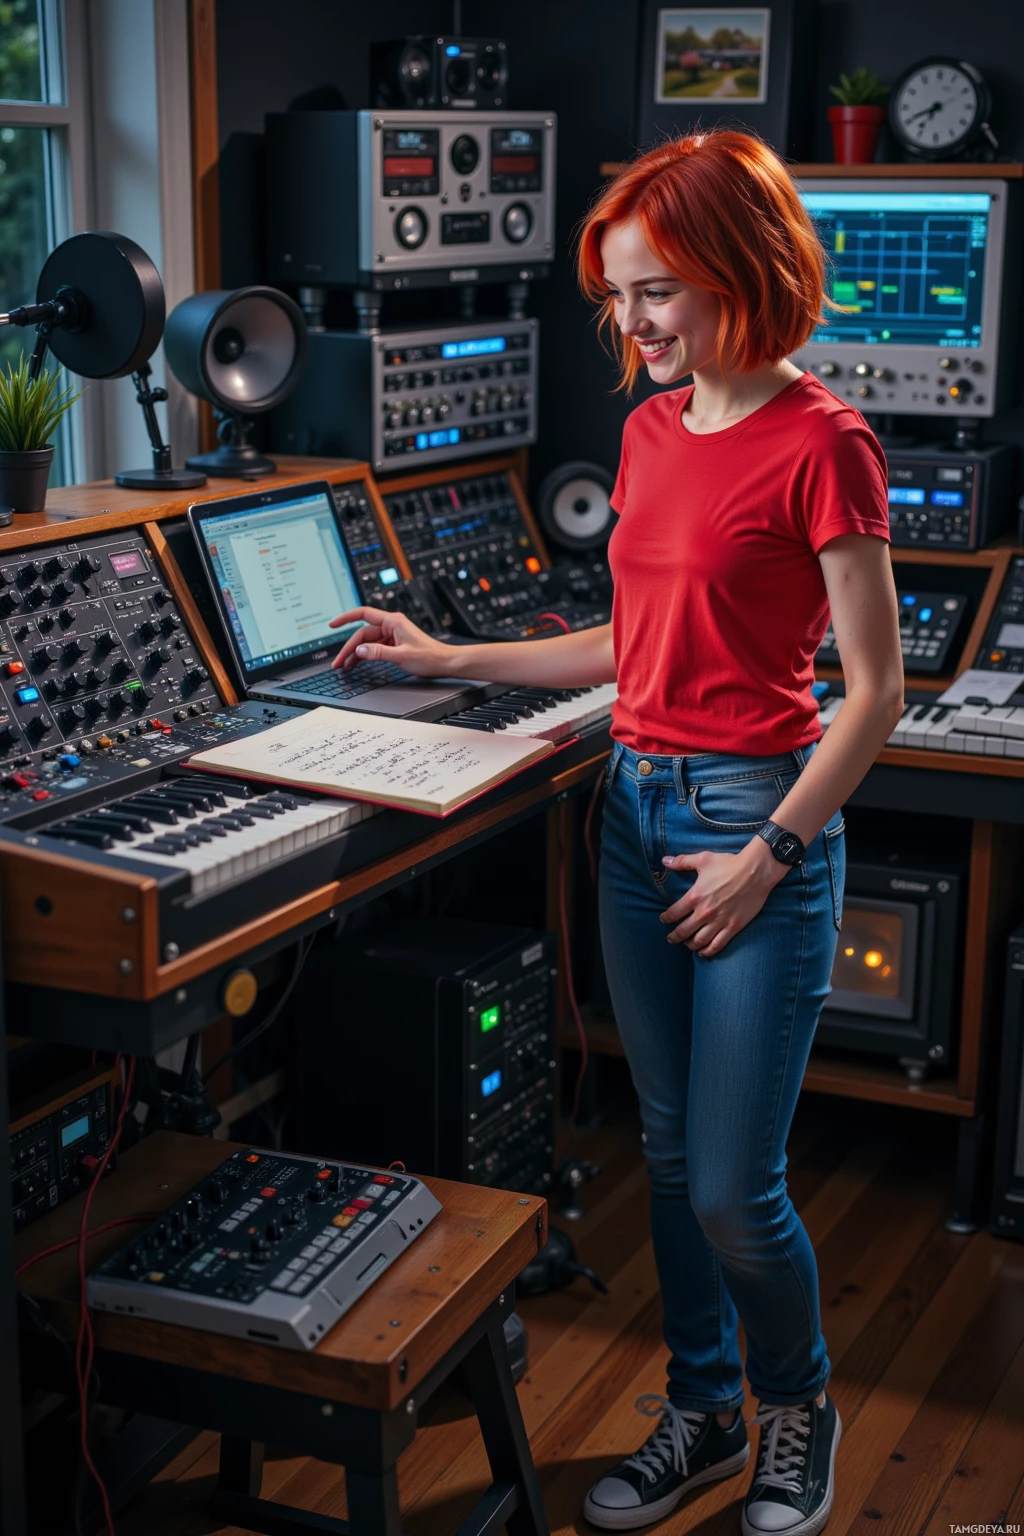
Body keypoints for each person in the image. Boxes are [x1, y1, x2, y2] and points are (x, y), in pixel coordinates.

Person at [328, 130, 903, 1536]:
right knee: (668, 1157)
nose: (632, 323)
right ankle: (704, 1413)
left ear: (740, 276)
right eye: (620, 295)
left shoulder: (826, 441)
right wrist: (437, 655)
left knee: (735, 1190)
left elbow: (877, 692)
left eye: (657, 292)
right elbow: (625, 645)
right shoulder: (652, 432)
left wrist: (771, 856)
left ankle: (797, 1409)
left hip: (754, 822)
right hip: (637, 813)